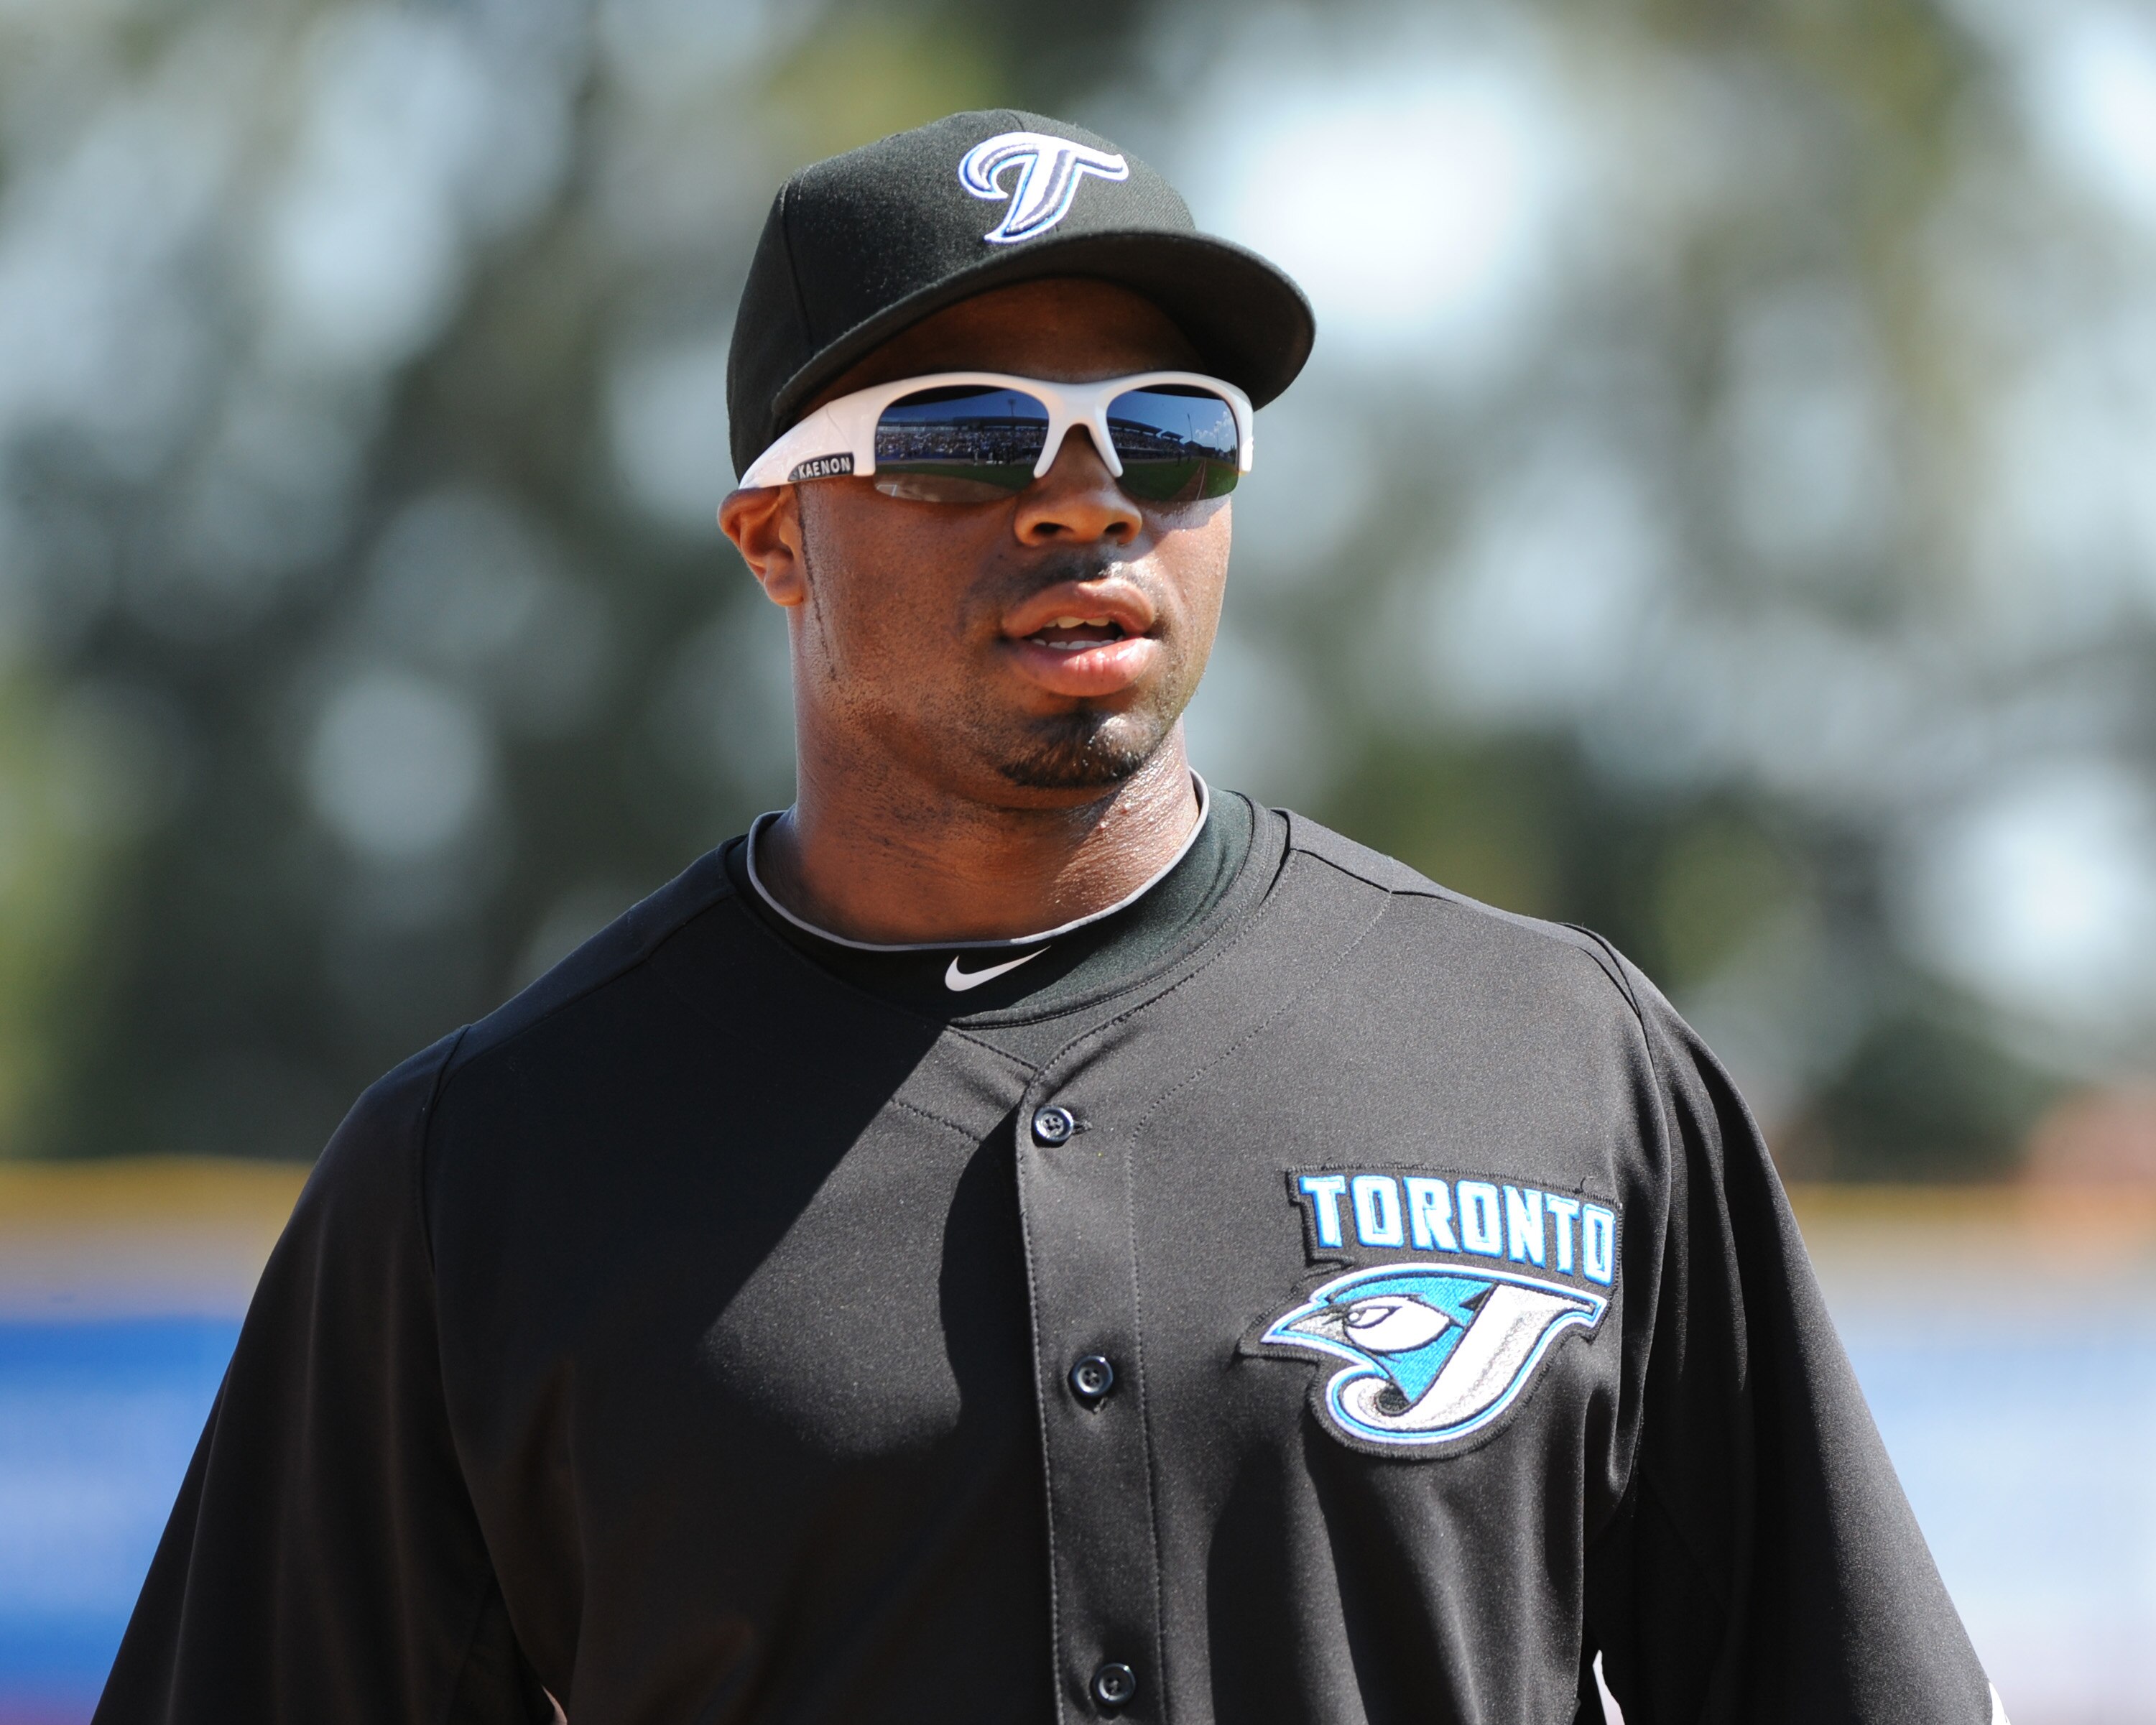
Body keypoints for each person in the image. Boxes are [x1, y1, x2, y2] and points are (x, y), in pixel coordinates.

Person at [96, 110, 2006, 1725]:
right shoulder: (481, 1170)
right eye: (963, 433)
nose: (1083, 498)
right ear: (775, 535)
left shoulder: (1563, 1062)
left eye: (1169, 431)